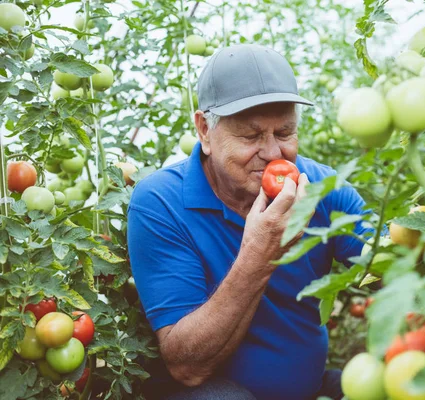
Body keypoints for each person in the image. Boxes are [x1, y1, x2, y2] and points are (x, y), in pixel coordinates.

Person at [127, 44, 370, 400]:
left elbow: (386, 256)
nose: (273, 153)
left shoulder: (322, 189)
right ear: (205, 131)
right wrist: (261, 252)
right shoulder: (159, 202)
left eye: (284, 133)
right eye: (251, 136)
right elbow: (187, 366)